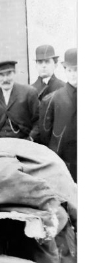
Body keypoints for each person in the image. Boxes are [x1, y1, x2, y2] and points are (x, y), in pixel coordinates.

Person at [0, 60, 40, 141]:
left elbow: (38, 120)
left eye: (8, 74)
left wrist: (31, 139)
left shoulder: (29, 92)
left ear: (14, 73)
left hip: (22, 142)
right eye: (1, 75)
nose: (5, 79)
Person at [40, 48, 77, 181]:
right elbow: (45, 134)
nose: (73, 74)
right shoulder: (53, 99)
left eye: (77, 70)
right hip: (63, 162)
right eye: (69, 70)